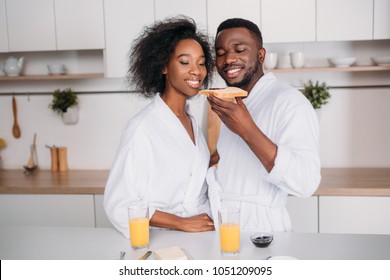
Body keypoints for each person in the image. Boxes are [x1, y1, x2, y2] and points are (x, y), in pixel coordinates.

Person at [104, 16, 215, 239]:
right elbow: (120, 203)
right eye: (185, 62)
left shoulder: (191, 121)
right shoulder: (143, 128)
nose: (196, 71)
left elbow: (185, 173)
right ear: (164, 66)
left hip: (204, 233)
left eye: (201, 63)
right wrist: (181, 223)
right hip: (164, 237)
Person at [206, 18, 321, 232]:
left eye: (239, 49)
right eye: (220, 53)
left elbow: (307, 183)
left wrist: (247, 129)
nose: (229, 58)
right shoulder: (235, 102)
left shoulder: (290, 102)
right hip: (225, 227)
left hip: (263, 230)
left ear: (261, 55)